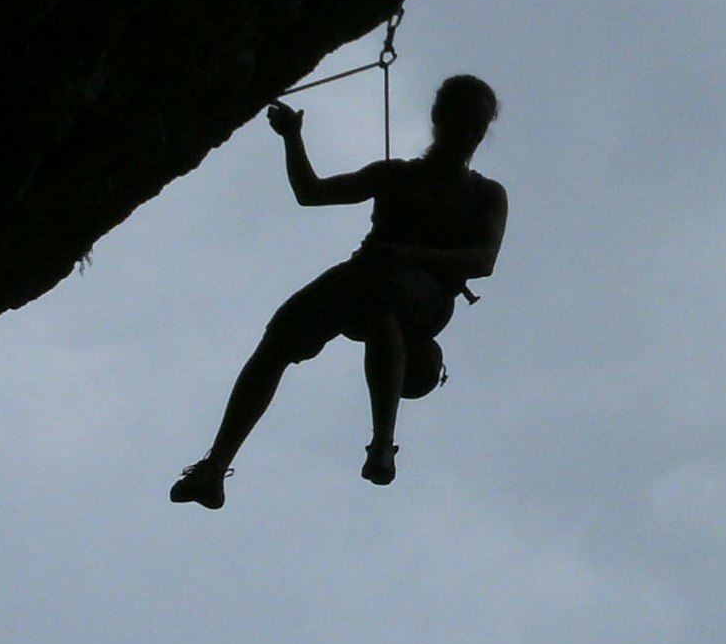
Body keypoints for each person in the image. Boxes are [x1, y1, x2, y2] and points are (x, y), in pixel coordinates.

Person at [170, 75, 508, 509]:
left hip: (423, 294)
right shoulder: (394, 175)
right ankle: (214, 467)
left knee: (381, 308)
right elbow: (311, 193)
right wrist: (293, 139)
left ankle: (382, 444)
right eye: (463, 123)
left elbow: (483, 261)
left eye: (477, 128)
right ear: (440, 120)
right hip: (366, 275)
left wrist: (409, 252)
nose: (469, 135)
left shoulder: (485, 194)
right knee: (281, 336)